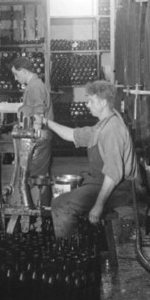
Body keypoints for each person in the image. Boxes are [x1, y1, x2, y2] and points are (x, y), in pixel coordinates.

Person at [45, 80, 137, 238]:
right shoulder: (102, 125)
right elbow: (72, 135)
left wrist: (98, 205)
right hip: (100, 183)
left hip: (117, 190)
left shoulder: (112, 130)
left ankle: (69, 251)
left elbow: (113, 174)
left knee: (61, 204)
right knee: (65, 197)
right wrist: (46, 122)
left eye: (91, 101)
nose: (87, 105)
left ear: (102, 103)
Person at [11, 56, 53, 206]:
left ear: (23, 71)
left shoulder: (35, 86)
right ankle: (38, 208)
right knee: (36, 175)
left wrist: (34, 136)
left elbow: (39, 113)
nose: (16, 79)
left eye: (16, 74)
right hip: (39, 138)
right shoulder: (33, 85)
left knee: (36, 177)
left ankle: (39, 211)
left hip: (38, 139)